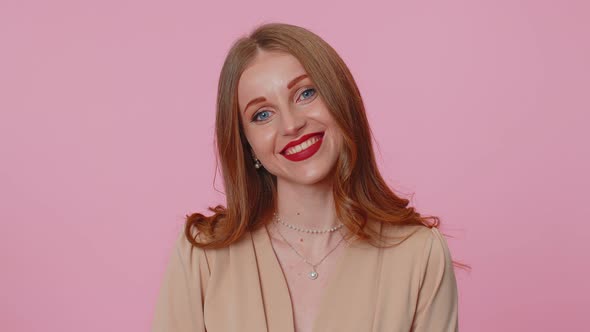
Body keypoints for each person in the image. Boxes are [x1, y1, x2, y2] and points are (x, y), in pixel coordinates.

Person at [152, 22, 462, 332]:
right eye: (262, 114)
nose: (291, 124)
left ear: (339, 98)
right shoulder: (202, 255)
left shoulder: (419, 253)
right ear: (248, 145)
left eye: (306, 93)